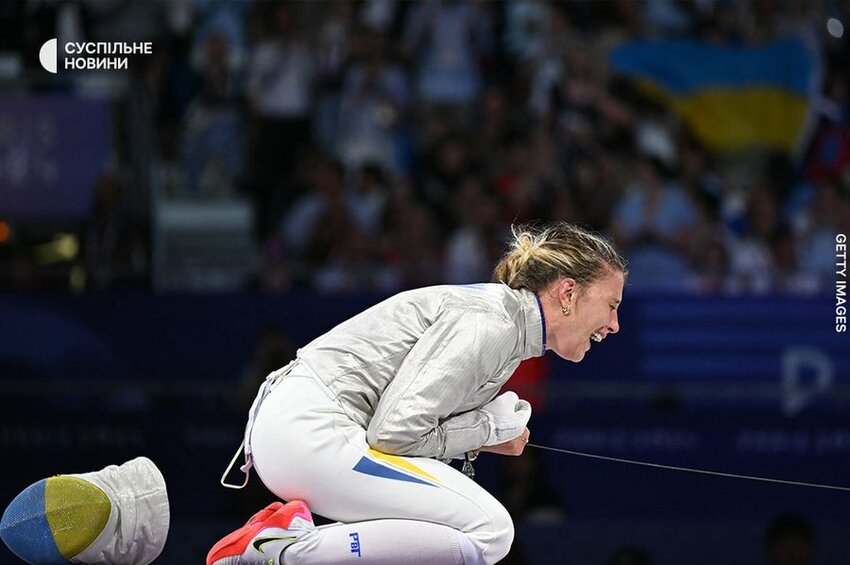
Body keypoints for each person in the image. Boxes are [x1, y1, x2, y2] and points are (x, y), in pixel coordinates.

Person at [208, 222, 626, 565]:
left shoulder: (508, 327)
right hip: (310, 429)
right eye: (610, 305)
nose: (614, 324)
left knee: (450, 534)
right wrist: (484, 430)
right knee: (491, 529)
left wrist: (489, 436)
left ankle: (290, 542)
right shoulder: (492, 323)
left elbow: (408, 431)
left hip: (301, 434)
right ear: (568, 293)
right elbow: (393, 434)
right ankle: (287, 551)